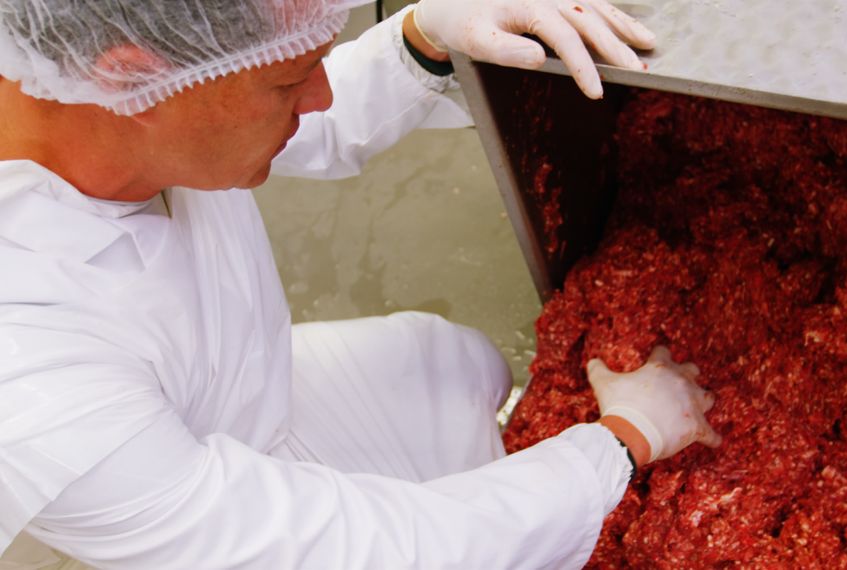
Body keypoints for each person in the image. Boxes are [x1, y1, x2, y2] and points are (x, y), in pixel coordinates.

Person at [0, 0, 721, 567]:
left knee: (455, 363)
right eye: (289, 80)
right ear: (133, 81)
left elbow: (259, 108)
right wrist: (622, 442)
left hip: (243, 388)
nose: (317, 94)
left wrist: (423, 37)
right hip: (198, 515)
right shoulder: (34, 381)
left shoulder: (98, 98)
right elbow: (365, 547)